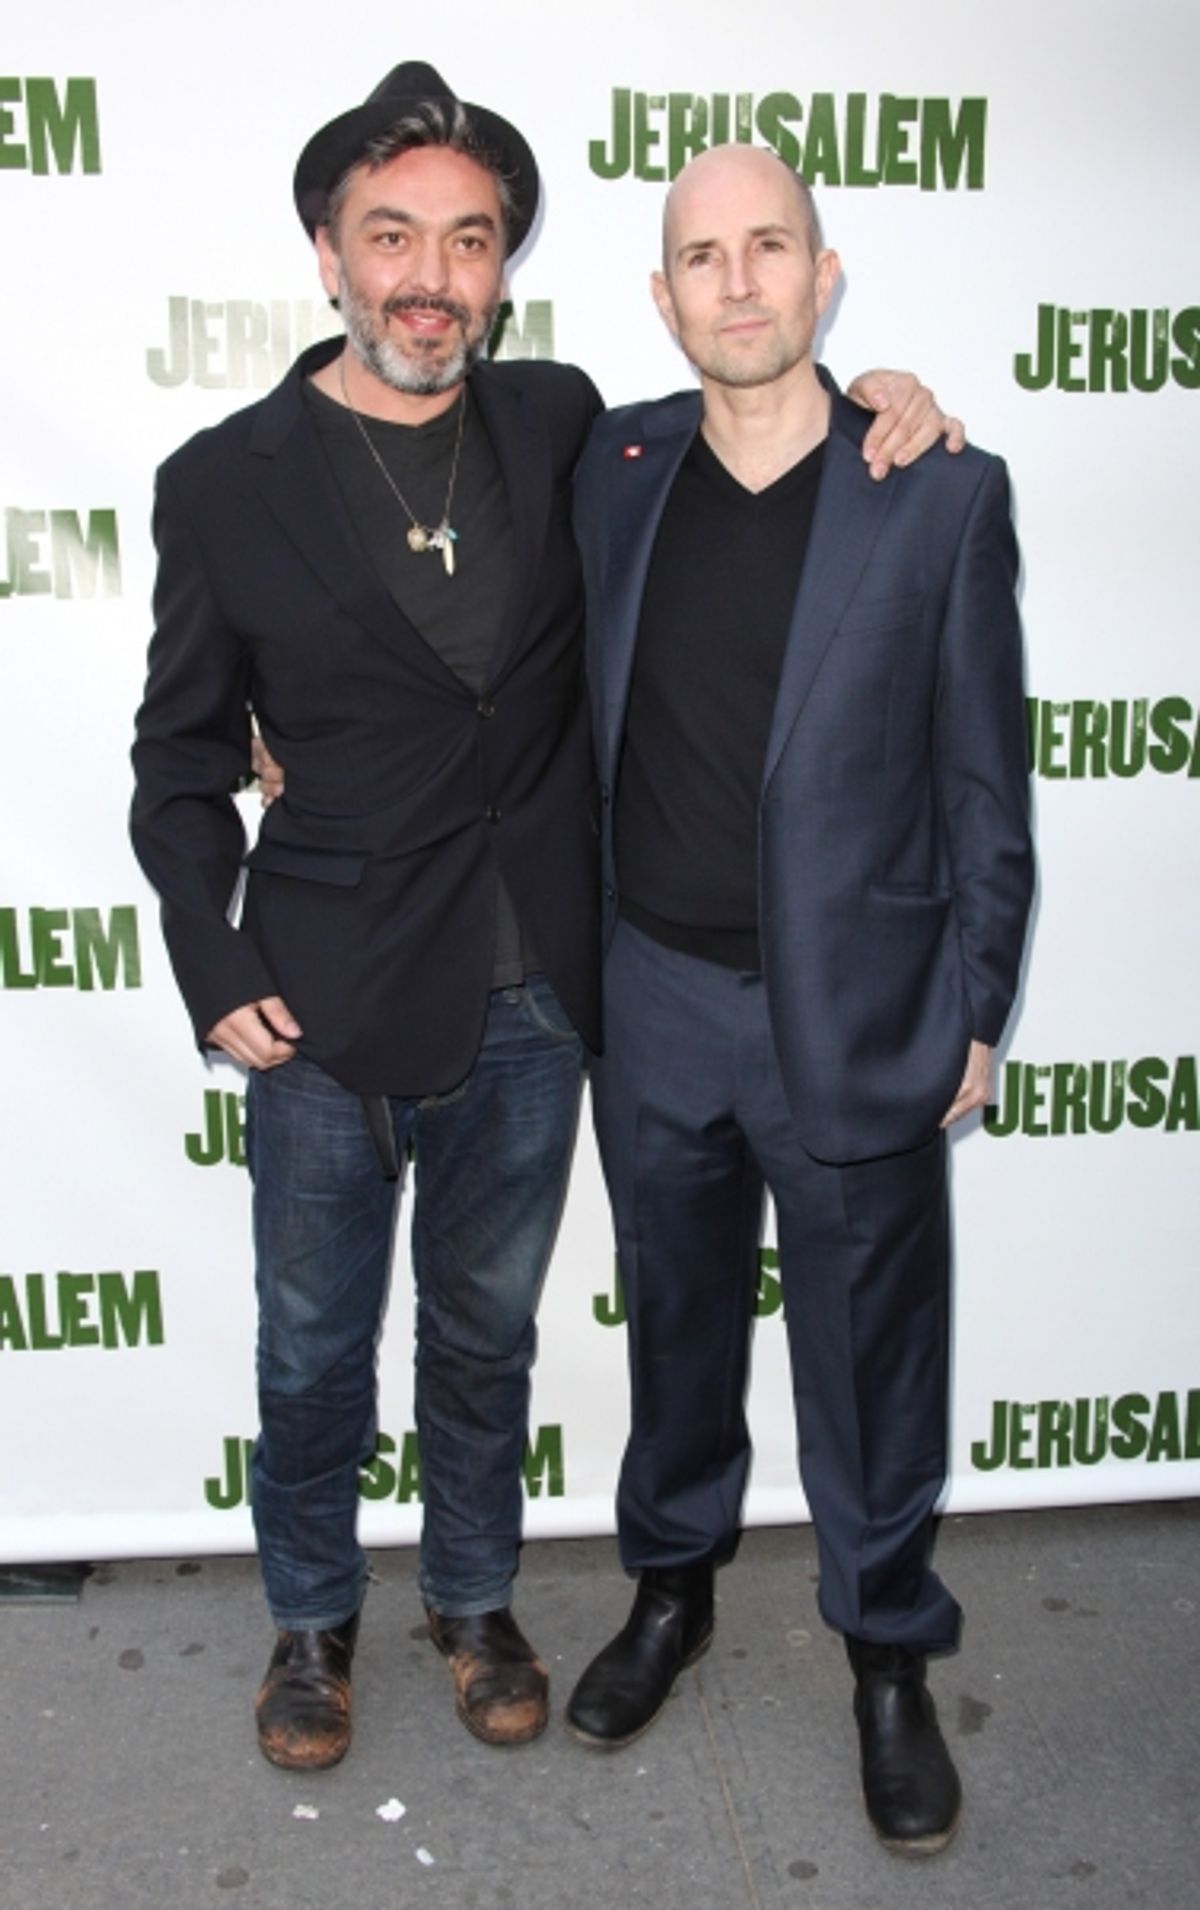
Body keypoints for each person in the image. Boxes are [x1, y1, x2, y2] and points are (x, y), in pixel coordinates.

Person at [130, 61, 959, 1773]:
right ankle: (308, 1619)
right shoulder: (226, 480)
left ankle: (473, 1593)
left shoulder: (575, 424)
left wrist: (889, 395)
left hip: (539, 1000)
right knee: (308, 1348)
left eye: (469, 238)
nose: (429, 273)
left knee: (488, 1334)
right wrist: (212, 959)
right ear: (328, 256)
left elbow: (761, 420)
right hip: (322, 998)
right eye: (391, 236)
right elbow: (180, 758)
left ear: (504, 269)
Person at [566, 144, 1034, 1857]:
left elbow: (991, 776)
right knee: (678, 1342)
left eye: (773, 248)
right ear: (664, 296)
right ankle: (672, 1590)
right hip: (657, 1004)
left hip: (861, 1014)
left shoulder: (935, 490)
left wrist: (979, 992)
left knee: (874, 1365)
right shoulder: (607, 468)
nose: (741, 281)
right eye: (706, 255)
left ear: (826, 280)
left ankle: (890, 1658)